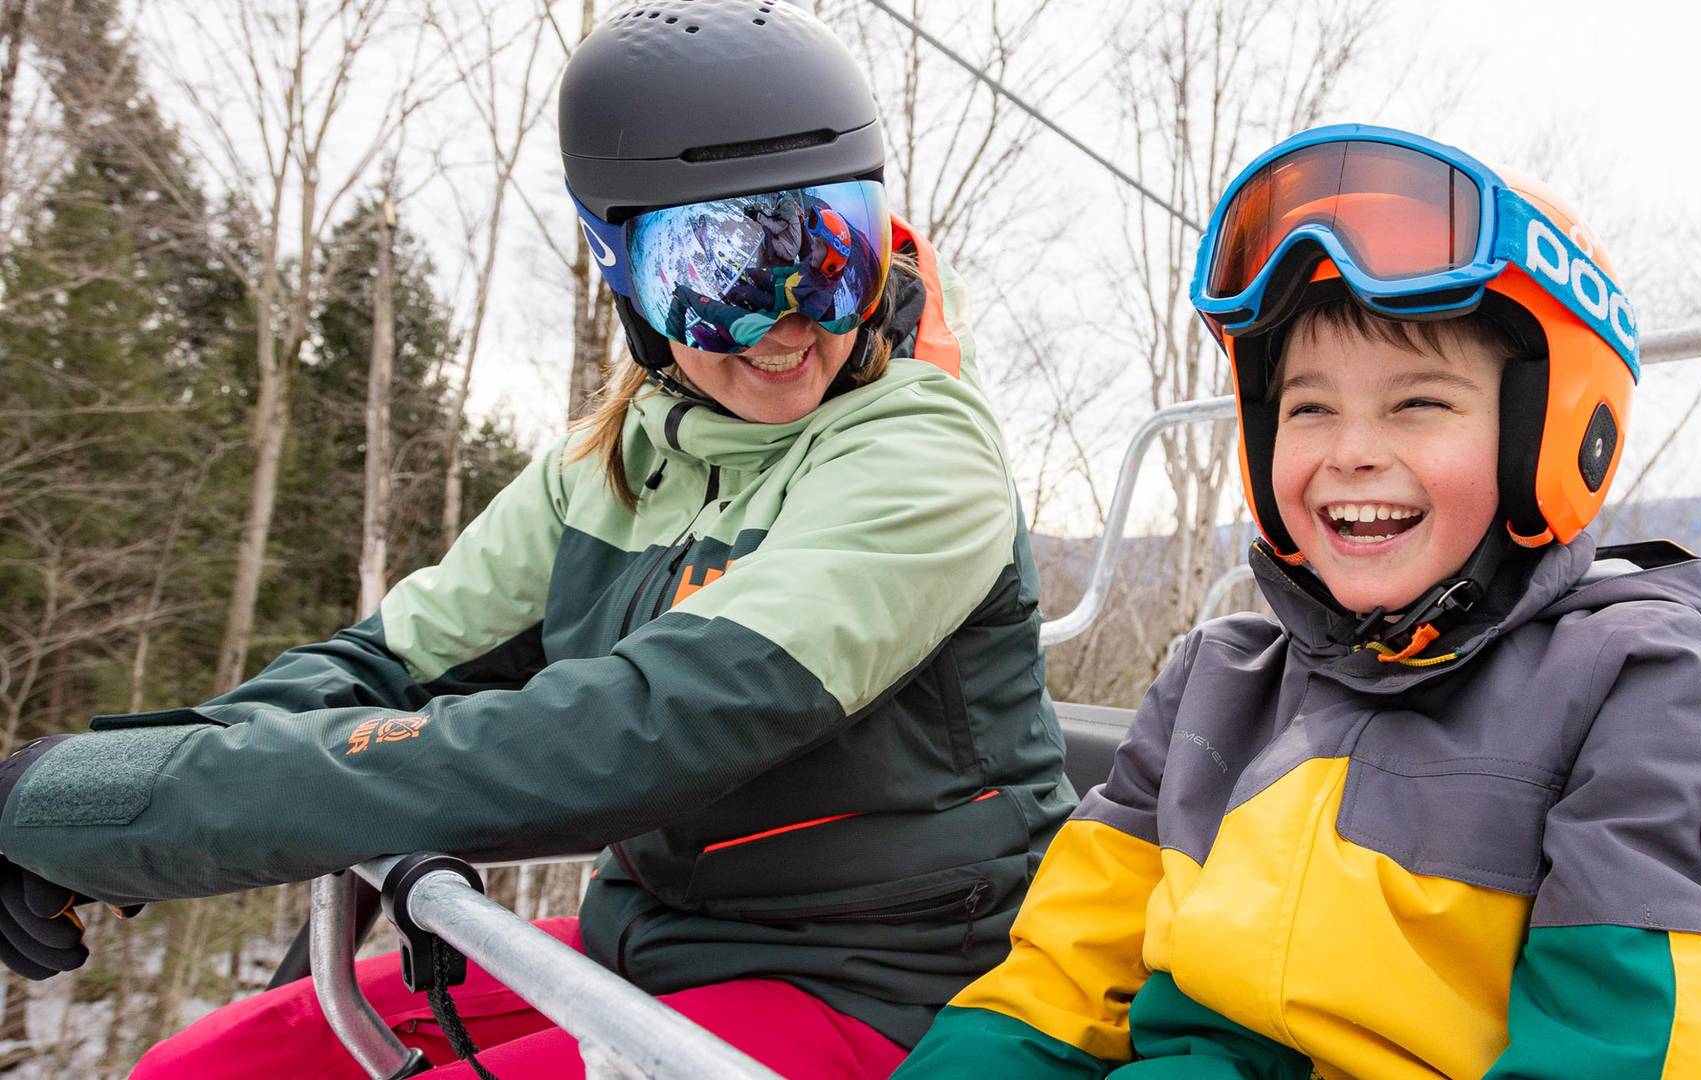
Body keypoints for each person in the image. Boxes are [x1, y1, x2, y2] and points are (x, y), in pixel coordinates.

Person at [0, 3, 1073, 1077]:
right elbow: (384, 668)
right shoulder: (613, 463)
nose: (788, 323)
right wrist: (105, 800)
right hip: (653, 954)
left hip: (891, 984)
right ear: (624, 276)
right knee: (209, 1068)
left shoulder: (924, 454)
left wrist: (111, 809)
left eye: (826, 260)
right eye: (719, 280)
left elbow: (642, 729)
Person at [895, 124, 1701, 1078]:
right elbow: (1052, 987)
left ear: (1551, 435)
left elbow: (1650, 1045)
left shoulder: (1630, 690)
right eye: (1309, 408)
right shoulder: (1217, 688)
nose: (1350, 452)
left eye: (1418, 403)